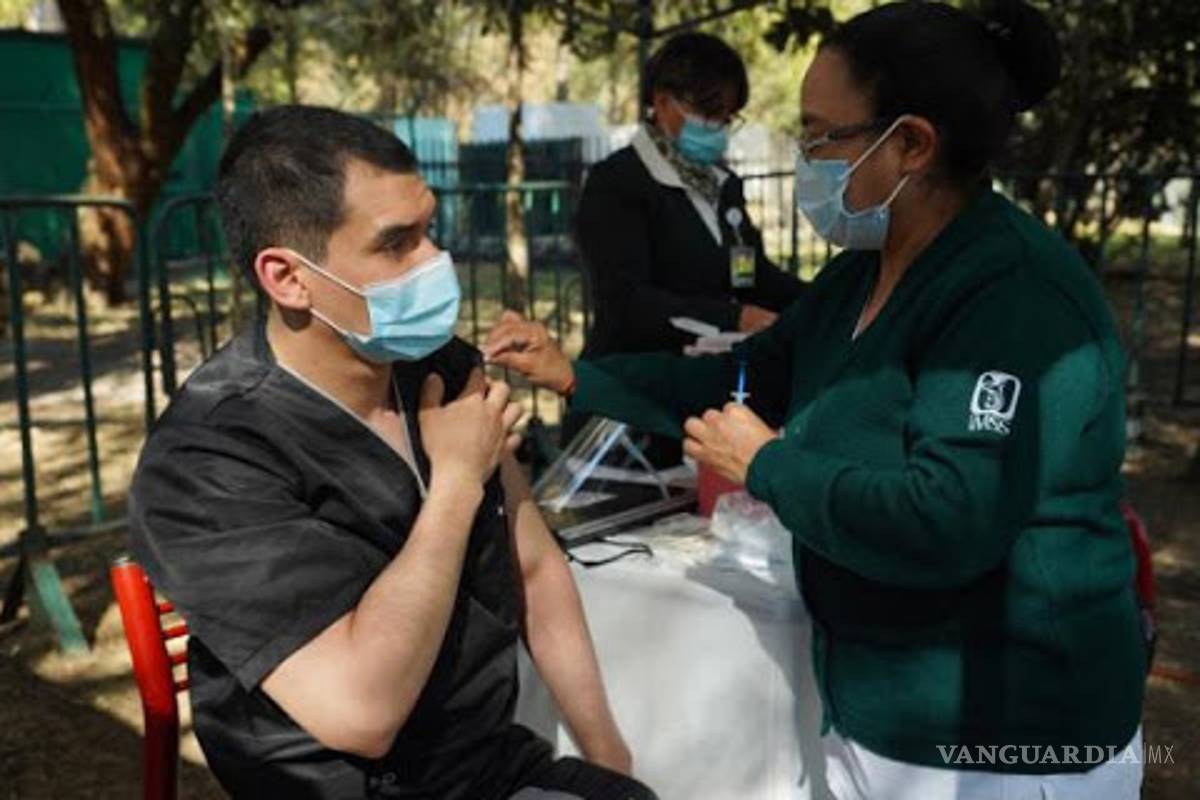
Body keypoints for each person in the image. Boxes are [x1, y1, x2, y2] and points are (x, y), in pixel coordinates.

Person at [484, 2, 1146, 798]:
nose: (803, 157)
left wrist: (769, 465)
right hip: (880, 711)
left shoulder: (1013, 298)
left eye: (819, 134)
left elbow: (947, 519)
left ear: (910, 144)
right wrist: (576, 377)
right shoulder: (863, 271)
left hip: (1004, 735)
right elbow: (747, 375)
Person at [129, 106, 656, 800]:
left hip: (487, 765)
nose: (436, 261)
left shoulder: (439, 369)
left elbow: (535, 568)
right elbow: (362, 712)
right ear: (288, 278)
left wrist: (608, 759)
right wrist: (456, 483)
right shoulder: (207, 459)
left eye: (429, 229)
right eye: (396, 243)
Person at [570, 32, 806, 465]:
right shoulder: (618, 183)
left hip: (702, 398)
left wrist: (823, 304)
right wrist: (735, 317)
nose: (717, 128)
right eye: (709, 112)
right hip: (630, 402)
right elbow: (627, 302)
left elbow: (752, 274)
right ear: (662, 103)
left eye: (728, 116)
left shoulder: (721, 184)